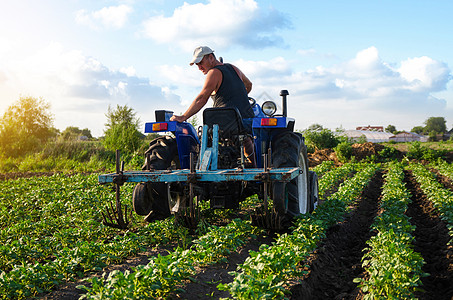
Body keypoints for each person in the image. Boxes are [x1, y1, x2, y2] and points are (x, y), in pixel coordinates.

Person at [170, 46, 256, 166]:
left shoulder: (213, 73)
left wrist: (183, 117)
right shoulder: (234, 68)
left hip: (223, 125)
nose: (199, 68)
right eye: (197, 65)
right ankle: (255, 166)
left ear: (211, 58)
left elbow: (201, 99)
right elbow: (249, 85)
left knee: (211, 133)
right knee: (247, 138)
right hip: (246, 121)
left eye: (201, 63)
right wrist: (238, 96)